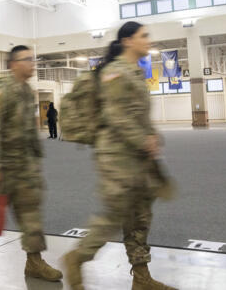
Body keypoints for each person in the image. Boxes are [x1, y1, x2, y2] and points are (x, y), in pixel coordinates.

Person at [63, 22, 176, 290]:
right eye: (144, 36)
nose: (148, 40)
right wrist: (143, 139)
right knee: (115, 215)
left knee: (139, 217)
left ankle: (141, 277)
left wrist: (151, 137)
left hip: (137, 156)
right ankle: (76, 258)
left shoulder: (134, 73)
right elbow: (116, 117)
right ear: (127, 41)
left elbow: (135, 114)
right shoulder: (114, 73)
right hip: (115, 156)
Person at [0, 45, 63, 282]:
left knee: (31, 213)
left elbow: (28, 130)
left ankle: (34, 261)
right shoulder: (1, 90)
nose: (32, 63)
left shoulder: (26, 90)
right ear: (13, 64)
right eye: (27, 59)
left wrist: (35, 158)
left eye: (33, 59)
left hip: (23, 165)